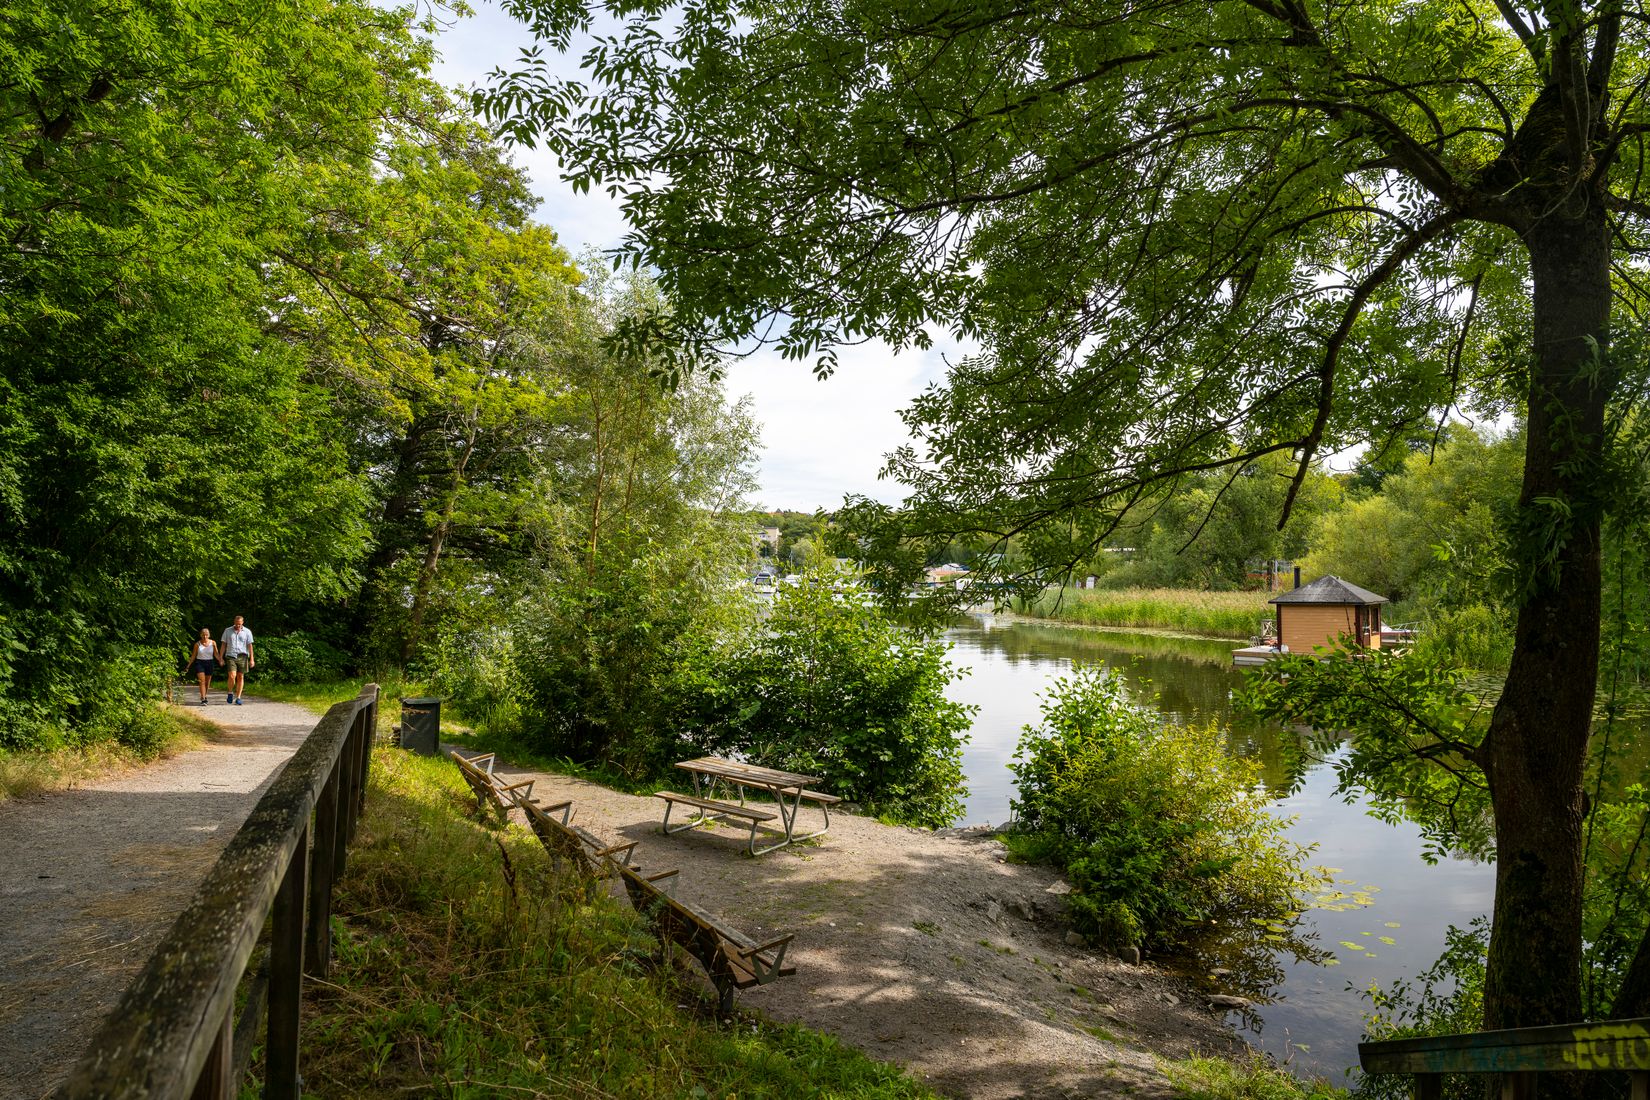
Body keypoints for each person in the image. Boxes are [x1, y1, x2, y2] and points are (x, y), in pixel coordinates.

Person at [219, 614, 255, 705]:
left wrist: (252, 659)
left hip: (243, 656)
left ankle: (238, 697)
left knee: (240, 676)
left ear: (242, 622)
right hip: (231, 655)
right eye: (236, 623)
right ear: (234, 622)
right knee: (232, 675)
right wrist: (220, 658)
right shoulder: (227, 631)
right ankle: (230, 692)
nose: (238, 625)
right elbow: (223, 645)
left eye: (239, 624)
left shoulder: (247, 632)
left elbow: (250, 646)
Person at [186, 628, 219, 705]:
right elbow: (193, 656)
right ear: (201, 635)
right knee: (202, 681)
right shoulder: (197, 644)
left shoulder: (213, 643)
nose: (205, 636)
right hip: (200, 663)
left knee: (207, 682)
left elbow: (216, 654)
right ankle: (203, 699)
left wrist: (220, 660)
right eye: (203, 635)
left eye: (206, 635)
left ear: (209, 635)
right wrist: (188, 665)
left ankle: (204, 695)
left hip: (209, 662)